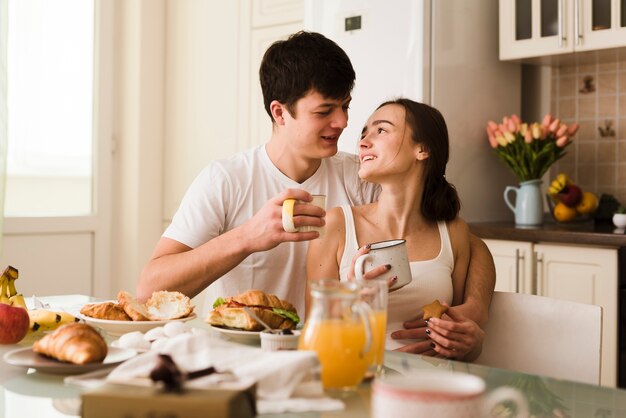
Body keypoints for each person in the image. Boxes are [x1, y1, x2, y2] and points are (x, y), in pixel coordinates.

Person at [138, 31, 495, 328]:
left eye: (345, 106)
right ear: (280, 112)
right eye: (325, 111)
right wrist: (248, 236)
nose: (342, 122)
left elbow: (467, 244)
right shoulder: (227, 180)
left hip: (327, 353)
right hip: (246, 355)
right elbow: (149, 289)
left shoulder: (359, 177)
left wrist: (476, 307)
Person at [306, 99, 485, 361]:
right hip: (360, 380)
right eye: (364, 133)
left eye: (381, 130)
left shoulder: (454, 232)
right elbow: (314, 342)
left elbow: (460, 342)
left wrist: (473, 341)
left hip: (432, 385)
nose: (363, 142)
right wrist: (349, 303)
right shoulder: (335, 225)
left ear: (422, 149)